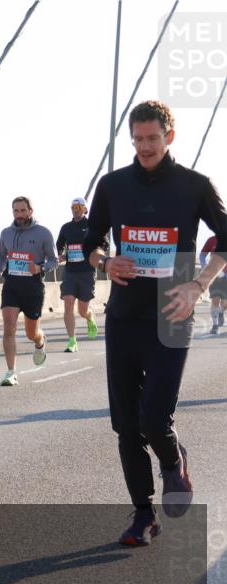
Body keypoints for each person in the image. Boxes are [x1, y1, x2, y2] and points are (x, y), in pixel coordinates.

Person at [83, 100, 227, 546]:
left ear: (170, 137)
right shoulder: (112, 186)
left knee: (154, 417)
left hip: (172, 314)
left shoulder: (194, 185)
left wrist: (199, 285)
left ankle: (173, 459)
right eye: (138, 139)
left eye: (152, 138)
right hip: (124, 315)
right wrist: (105, 262)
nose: (144, 147)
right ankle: (143, 514)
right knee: (126, 425)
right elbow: (91, 242)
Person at [0, 196, 59, 386]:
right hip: (11, 286)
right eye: (16, 211)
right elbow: (2, 258)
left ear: (30, 211)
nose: (19, 214)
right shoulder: (6, 233)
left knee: (31, 333)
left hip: (33, 288)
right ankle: (11, 372)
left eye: (22, 210)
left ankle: (40, 341)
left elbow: (54, 261)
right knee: (8, 327)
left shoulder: (43, 233)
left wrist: (40, 268)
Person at [56, 196, 106, 352]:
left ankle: (89, 317)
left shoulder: (92, 226)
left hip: (87, 272)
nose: (75, 210)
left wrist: (95, 253)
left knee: (82, 310)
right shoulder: (66, 227)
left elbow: (104, 244)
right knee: (68, 303)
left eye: (78, 208)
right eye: (73, 208)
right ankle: (72, 341)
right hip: (70, 272)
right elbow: (59, 245)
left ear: (85, 209)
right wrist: (60, 254)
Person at [200, 233, 226, 335]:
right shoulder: (211, 240)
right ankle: (215, 325)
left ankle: (221, 312)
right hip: (214, 276)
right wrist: (205, 267)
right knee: (215, 300)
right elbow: (202, 255)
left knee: (225, 303)